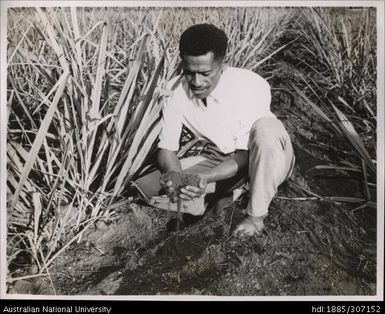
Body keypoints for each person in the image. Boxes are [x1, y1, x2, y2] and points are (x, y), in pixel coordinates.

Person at [134, 24, 295, 236]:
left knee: (266, 131)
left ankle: (256, 215)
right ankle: (224, 192)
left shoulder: (250, 85)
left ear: (223, 66)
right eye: (189, 73)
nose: (197, 82)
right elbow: (167, 149)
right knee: (145, 188)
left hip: (262, 156)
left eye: (205, 73)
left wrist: (205, 178)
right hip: (219, 157)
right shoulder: (174, 90)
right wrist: (176, 178)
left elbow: (245, 155)